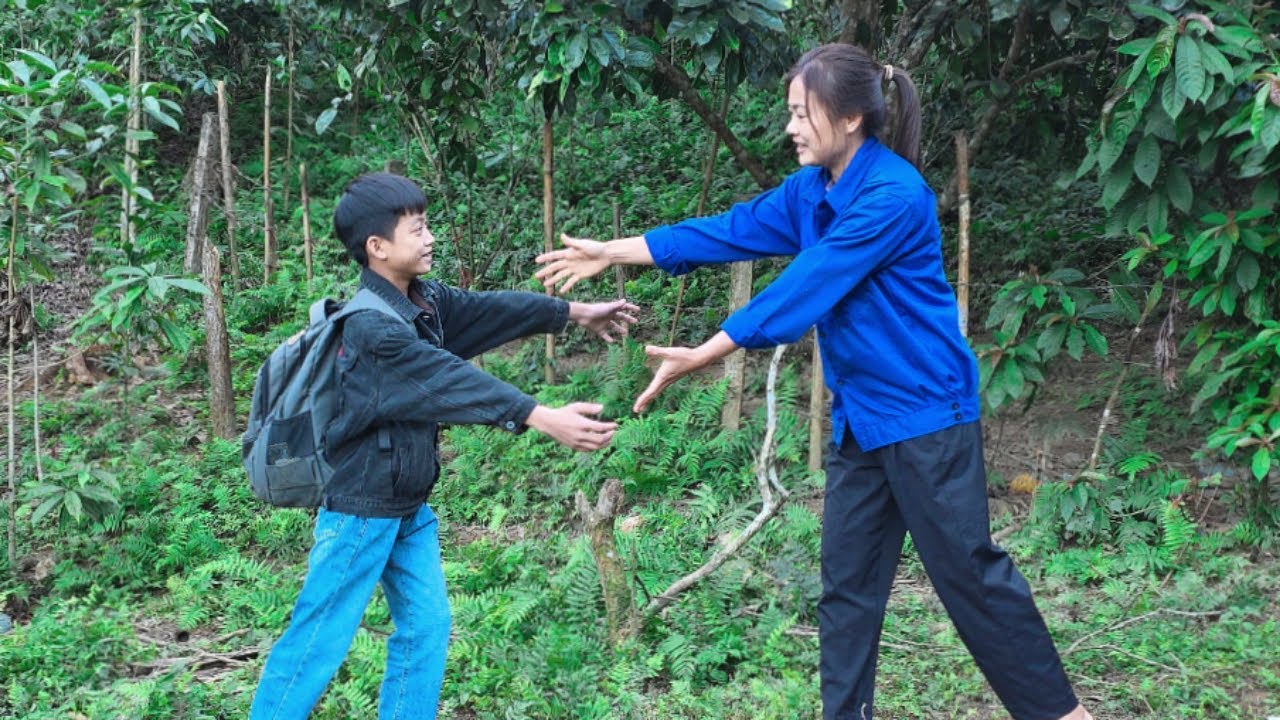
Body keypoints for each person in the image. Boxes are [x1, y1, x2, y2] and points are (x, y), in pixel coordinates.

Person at [535, 44, 1093, 720]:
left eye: (803, 114)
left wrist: (704, 350)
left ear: (852, 117)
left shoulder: (893, 196)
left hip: (925, 417)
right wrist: (611, 252)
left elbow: (811, 280)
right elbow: (730, 230)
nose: (791, 127)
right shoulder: (810, 191)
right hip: (861, 419)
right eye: (790, 113)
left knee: (970, 576)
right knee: (848, 585)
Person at [250, 172, 638, 720]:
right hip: (360, 508)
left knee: (427, 627)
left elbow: (488, 311)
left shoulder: (422, 301)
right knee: (318, 640)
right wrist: (539, 416)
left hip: (406, 503)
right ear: (377, 247)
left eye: (427, 224)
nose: (430, 238)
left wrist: (573, 313)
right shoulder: (372, 330)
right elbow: (448, 380)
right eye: (417, 229)